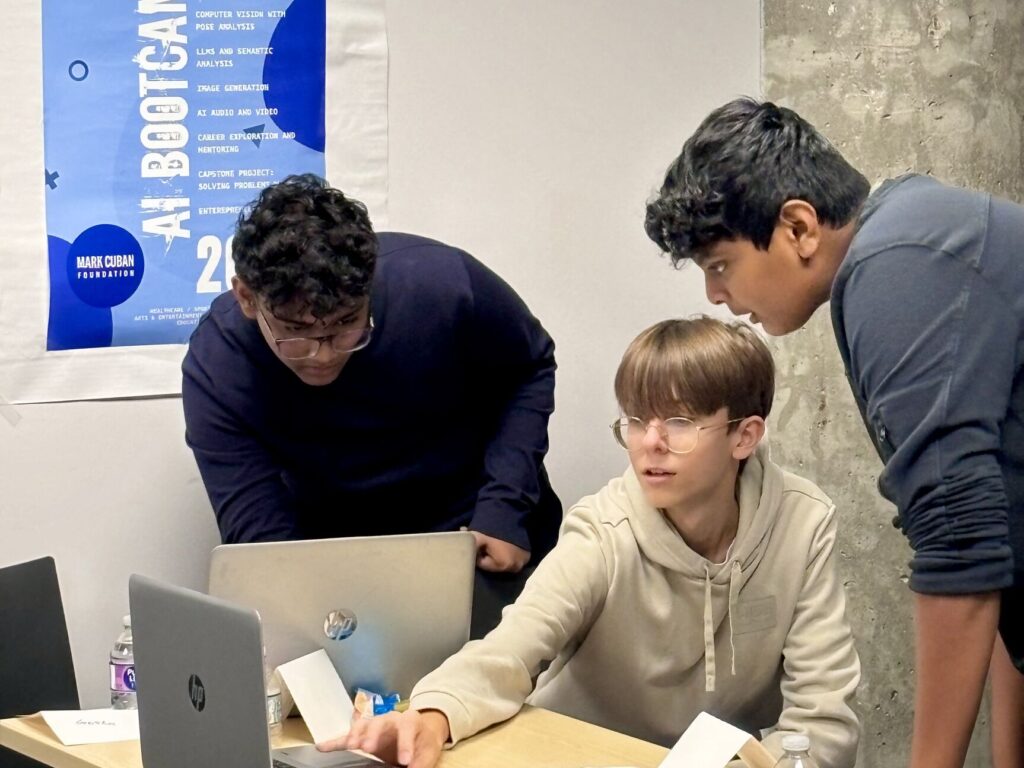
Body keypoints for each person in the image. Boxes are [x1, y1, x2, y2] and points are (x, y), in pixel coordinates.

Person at [644, 97, 1024, 768]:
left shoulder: (896, 268)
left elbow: (959, 544)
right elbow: (999, 536)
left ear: (797, 226)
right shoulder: (916, 230)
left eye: (721, 264)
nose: (714, 296)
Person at [321, 317, 861, 768]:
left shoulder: (803, 522)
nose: (650, 443)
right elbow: (511, 650)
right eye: (636, 420)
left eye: (679, 421)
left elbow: (822, 716)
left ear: (745, 435)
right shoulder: (603, 529)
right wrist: (433, 715)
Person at [182, 174, 562, 635]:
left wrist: (506, 505)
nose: (323, 354)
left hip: (476, 536)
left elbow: (530, 366)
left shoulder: (443, 286)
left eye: (346, 325)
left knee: (493, 694)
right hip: (337, 559)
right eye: (296, 333)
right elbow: (264, 546)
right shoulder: (219, 363)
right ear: (246, 298)